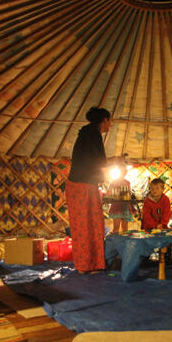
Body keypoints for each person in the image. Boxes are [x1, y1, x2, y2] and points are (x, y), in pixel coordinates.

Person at [66, 107, 121, 274]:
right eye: (109, 120)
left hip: (80, 186)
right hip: (82, 187)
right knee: (87, 226)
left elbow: (95, 161)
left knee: (88, 225)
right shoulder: (92, 135)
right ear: (104, 120)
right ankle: (87, 266)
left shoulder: (86, 134)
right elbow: (98, 163)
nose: (110, 124)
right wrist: (115, 161)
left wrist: (113, 160)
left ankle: (90, 265)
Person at [107, 164, 135, 233]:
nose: (124, 172)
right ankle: (115, 243)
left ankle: (124, 242)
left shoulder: (127, 182)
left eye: (125, 170)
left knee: (125, 229)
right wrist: (116, 195)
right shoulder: (113, 182)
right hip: (116, 205)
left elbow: (129, 193)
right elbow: (109, 194)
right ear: (119, 171)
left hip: (125, 205)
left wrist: (129, 195)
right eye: (122, 170)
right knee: (116, 228)